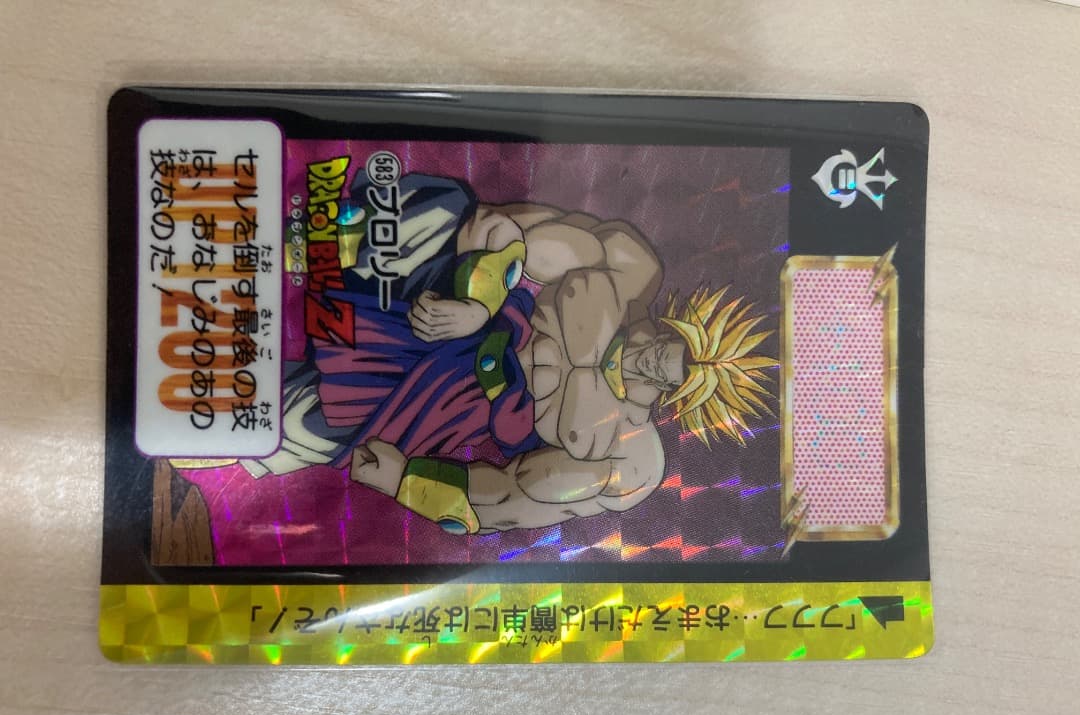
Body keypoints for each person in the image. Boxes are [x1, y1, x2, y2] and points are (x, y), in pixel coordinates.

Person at [243, 173, 775, 535]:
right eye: (678, 350)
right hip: (442, 303)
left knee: (280, 426)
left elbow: (511, 498)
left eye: (679, 375)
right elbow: (504, 229)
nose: (657, 363)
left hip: (438, 405)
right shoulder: (629, 270)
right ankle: (282, 244)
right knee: (448, 211)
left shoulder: (633, 458)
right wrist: (480, 300)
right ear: (689, 324)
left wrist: (406, 482)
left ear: (690, 398)